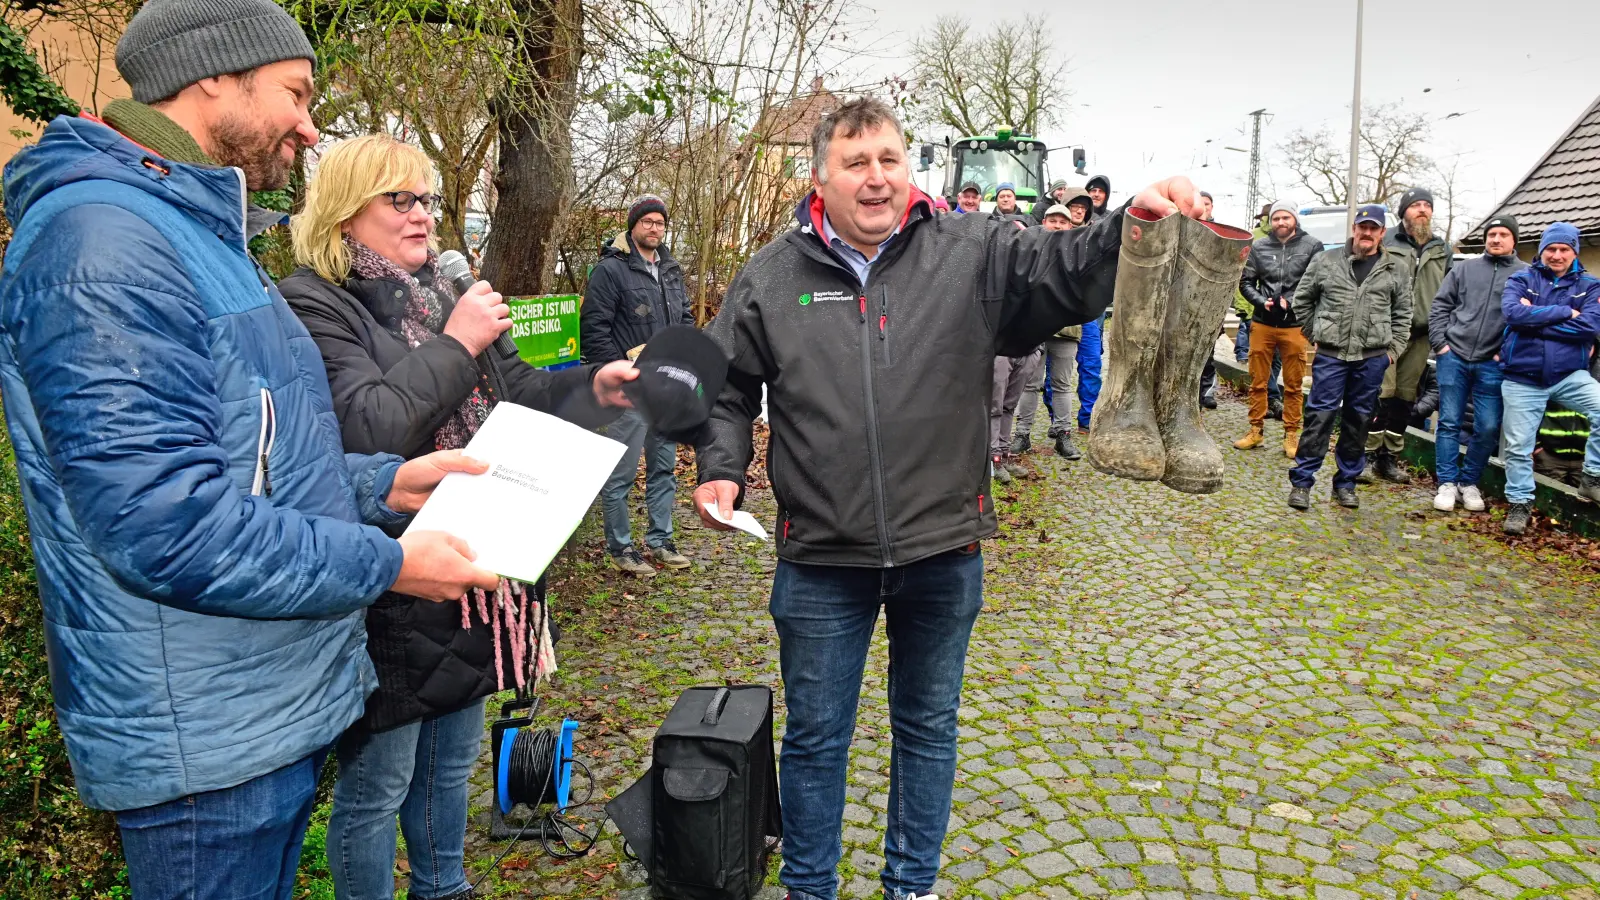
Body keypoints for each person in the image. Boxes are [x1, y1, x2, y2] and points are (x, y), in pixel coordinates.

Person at [0, 2, 505, 896]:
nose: (309, 126)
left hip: (255, 705)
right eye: (295, 93)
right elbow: (166, 525)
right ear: (213, 80)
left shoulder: (199, 235)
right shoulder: (106, 240)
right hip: (201, 736)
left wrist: (388, 482)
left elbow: (263, 461)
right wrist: (386, 563)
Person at [692, 96, 1201, 900]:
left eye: (889, 159)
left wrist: (1129, 223)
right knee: (817, 739)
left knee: (926, 732)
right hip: (821, 557)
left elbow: (1063, 271)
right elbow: (726, 386)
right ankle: (809, 888)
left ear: (909, 167)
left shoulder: (973, 250)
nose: (875, 178)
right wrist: (721, 463)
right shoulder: (771, 274)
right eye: (855, 163)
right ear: (820, 175)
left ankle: (912, 885)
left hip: (942, 549)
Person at [277, 135, 636, 900]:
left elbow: (521, 398)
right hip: (389, 577)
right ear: (344, 211)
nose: (421, 217)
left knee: (447, 770)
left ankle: (444, 888)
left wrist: (594, 390)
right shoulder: (311, 302)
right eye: (398, 200)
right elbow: (369, 429)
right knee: (378, 786)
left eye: (428, 201)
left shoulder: (443, 294)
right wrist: (454, 343)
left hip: (476, 567)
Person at [581, 194, 696, 576]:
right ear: (633, 226)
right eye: (647, 221)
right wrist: (617, 371)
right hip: (629, 390)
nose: (655, 228)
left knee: (664, 468)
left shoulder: (672, 269)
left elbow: (684, 318)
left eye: (660, 223)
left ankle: (660, 540)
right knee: (622, 472)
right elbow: (593, 329)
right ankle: (621, 547)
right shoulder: (610, 271)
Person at [1286, 204, 1412, 511]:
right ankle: (1302, 483)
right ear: (1354, 229)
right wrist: (1316, 333)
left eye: (1373, 228)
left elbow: (1403, 314)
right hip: (1331, 355)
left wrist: (1392, 352)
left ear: (1382, 233)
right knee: (1319, 418)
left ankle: (1345, 484)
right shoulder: (1326, 261)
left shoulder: (1396, 268)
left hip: (1371, 358)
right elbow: (1302, 300)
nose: (1366, 233)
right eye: (1362, 227)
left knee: (1358, 421)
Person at [1496, 222, 1600, 535]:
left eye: (1564, 249)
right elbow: (1513, 315)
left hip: (1569, 374)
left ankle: (1592, 477)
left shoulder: (1590, 286)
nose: (1556, 255)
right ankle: (1519, 503)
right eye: (1551, 249)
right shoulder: (1522, 277)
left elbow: (1590, 328)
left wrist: (1535, 317)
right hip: (1523, 376)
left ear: (1574, 252)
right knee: (1518, 446)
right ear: (1542, 251)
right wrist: (1566, 312)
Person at [1427, 214, 1525, 513]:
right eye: (1492, 234)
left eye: (1503, 235)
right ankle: (1446, 483)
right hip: (1453, 356)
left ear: (1514, 240)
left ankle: (1468, 483)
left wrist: (1504, 353)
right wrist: (1441, 345)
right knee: (1449, 422)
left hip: (1493, 363)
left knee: (1487, 426)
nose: (1496, 239)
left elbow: (1525, 323)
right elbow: (1441, 306)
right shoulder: (1464, 269)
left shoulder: (1525, 275)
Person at [1365, 187, 1451, 484]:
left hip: (1422, 335)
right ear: (1403, 212)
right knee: (1381, 393)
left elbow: (1450, 291)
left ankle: (1388, 458)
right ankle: (1365, 455)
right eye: (1416, 205)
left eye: (1427, 205)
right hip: (1387, 332)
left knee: (1405, 397)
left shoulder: (1442, 248)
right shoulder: (1387, 242)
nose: (1422, 210)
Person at [1233, 200, 1322, 457]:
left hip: (1295, 324)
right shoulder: (1259, 246)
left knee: (1293, 383)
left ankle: (1291, 433)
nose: (1281, 222)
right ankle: (1255, 430)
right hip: (1263, 321)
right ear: (1270, 221)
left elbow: (1314, 282)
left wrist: (1292, 302)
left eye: (1286, 217)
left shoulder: (1311, 246)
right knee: (1258, 381)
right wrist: (1263, 301)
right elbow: (1246, 282)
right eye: (1276, 218)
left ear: (1294, 219)